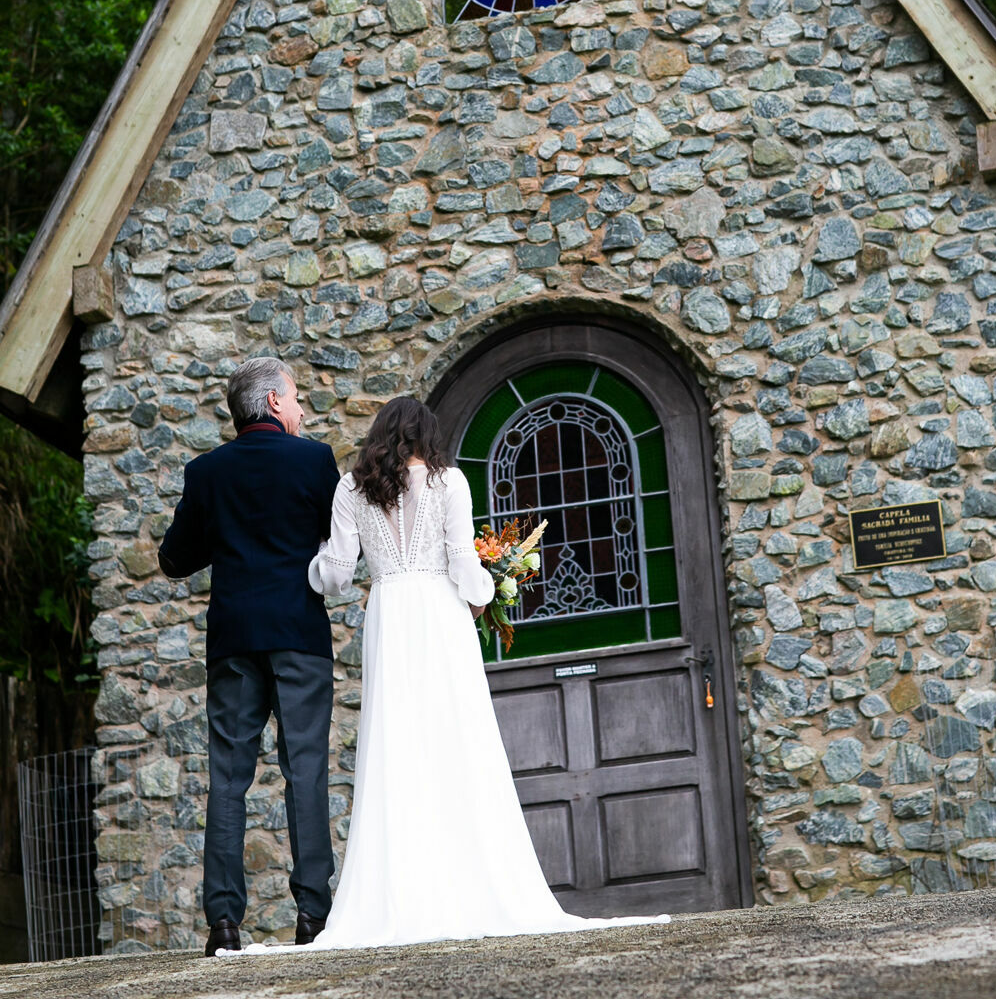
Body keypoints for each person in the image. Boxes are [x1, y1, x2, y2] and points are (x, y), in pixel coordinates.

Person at [242, 392, 666, 952]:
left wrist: (314, 563)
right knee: (458, 741)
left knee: (396, 749)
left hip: (389, 614)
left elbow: (337, 574)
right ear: (427, 435)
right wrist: (491, 590)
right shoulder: (450, 483)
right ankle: (469, 879)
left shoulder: (351, 487)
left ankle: (402, 893)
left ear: (378, 434)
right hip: (441, 616)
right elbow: (464, 561)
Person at [159, 356, 339, 957]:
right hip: (299, 634)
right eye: (297, 398)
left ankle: (224, 924)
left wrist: (229, 533)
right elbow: (337, 542)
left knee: (229, 778)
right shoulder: (313, 460)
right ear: (273, 404)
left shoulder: (206, 472)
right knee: (306, 768)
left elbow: (174, 559)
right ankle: (313, 914)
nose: (302, 408)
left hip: (233, 638)